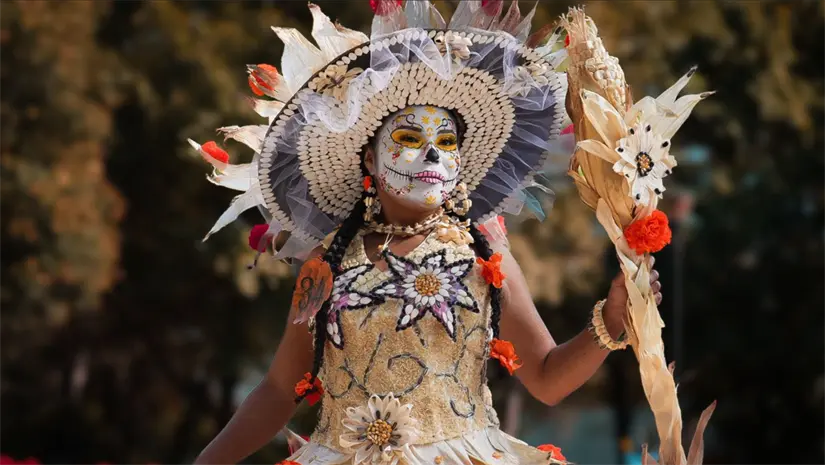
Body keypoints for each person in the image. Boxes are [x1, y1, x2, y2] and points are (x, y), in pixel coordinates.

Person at [188, 2, 663, 465]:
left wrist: (612, 322)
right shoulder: (326, 261)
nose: (433, 156)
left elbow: (546, 379)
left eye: (447, 142)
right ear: (369, 159)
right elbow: (277, 389)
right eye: (410, 139)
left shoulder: (484, 254)